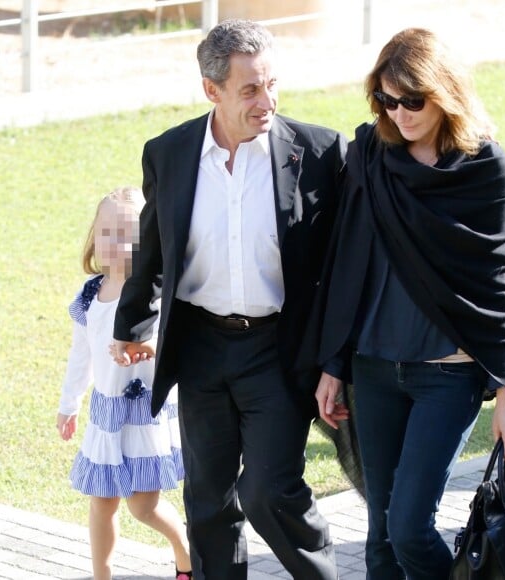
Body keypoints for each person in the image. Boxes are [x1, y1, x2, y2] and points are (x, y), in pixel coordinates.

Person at [112, 19, 347, 580]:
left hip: (277, 348)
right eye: (250, 89)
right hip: (200, 348)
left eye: (272, 84)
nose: (267, 101)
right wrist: (132, 324)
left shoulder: (318, 152)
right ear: (211, 90)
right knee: (208, 502)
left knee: (268, 490)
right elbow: (156, 246)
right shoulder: (169, 153)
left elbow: (341, 268)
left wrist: (336, 361)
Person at [312, 28, 505, 580]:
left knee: (409, 527)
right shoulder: (370, 158)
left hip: (447, 375)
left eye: (413, 99)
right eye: (387, 99)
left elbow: (499, 282)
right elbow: (346, 265)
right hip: (374, 369)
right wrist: (334, 364)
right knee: (381, 537)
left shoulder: (485, 170)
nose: (399, 113)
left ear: (446, 93)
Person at [57, 186, 192, 580]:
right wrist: (69, 404)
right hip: (106, 413)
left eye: (128, 233)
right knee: (102, 502)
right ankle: (103, 575)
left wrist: (147, 347)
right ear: (95, 237)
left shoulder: (156, 292)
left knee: (143, 506)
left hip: (144, 412)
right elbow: (80, 356)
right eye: (108, 232)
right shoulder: (89, 296)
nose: (116, 243)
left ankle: (185, 552)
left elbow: (177, 343)